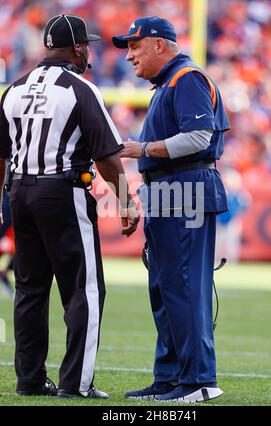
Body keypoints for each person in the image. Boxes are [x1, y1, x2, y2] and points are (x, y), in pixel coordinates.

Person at [0, 14, 139, 399]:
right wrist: (126, 202)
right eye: (87, 45)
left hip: (20, 195)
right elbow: (107, 157)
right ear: (77, 47)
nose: (89, 52)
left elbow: (1, 154)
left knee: (29, 290)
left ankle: (29, 380)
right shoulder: (80, 88)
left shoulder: (14, 88)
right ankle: (75, 382)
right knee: (84, 289)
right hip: (61, 193)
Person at [112, 16, 230, 403]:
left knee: (183, 285)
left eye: (134, 45)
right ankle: (170, 377)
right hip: (168, 189)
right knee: (164, 288)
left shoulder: (187, 78)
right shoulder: (168, 83)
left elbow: (199, 136)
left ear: (159, 45)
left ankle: (198, 380)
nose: (129, 56)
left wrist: (142, 149)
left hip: (186, 186)